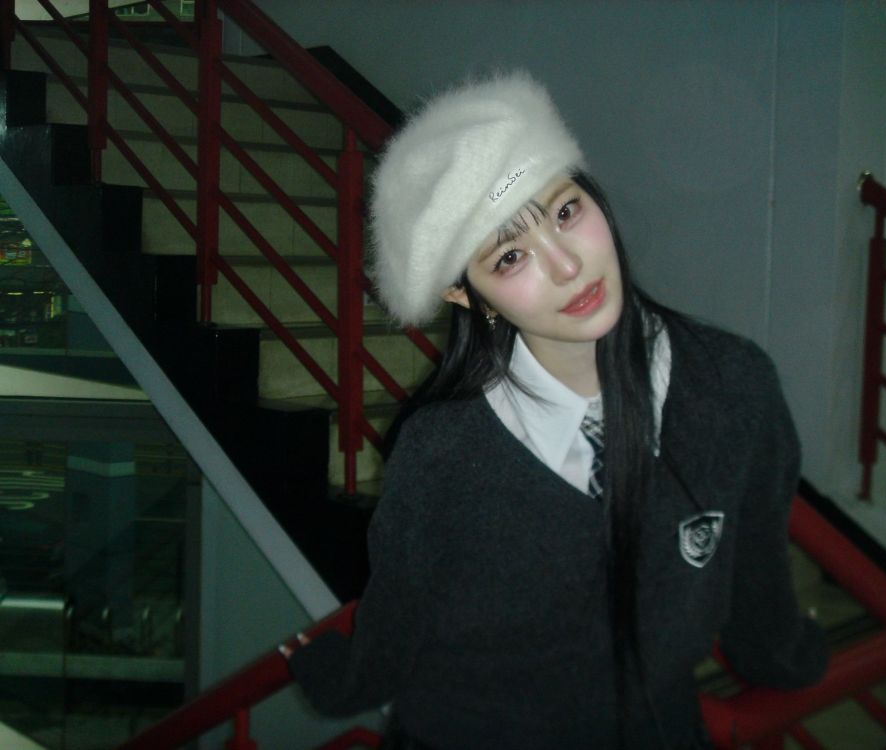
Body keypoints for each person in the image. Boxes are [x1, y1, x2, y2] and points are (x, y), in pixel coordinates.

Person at [284, 72, 827, 749]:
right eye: (511, 256)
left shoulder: (731, 386)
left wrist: (784, 658)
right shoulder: (443, 453)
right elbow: (396, 629)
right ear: (465, 295)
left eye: (566, 211)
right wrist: (336, 678)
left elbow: (756, 578)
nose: (568, 266)